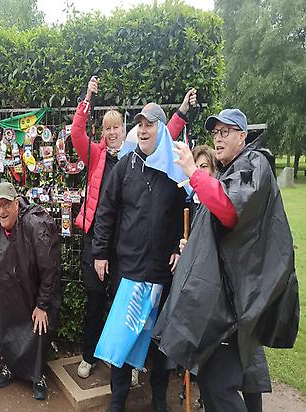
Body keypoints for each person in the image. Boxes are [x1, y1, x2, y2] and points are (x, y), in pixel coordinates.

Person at [156, 109, 298, 411]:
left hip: (232, 305)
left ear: (242, 137)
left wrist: (194, 173)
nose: (218, 138)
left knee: (219, 386)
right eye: (216, 132)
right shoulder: (235, 168)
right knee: (219, 382)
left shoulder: (253, 164)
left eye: (226, 132)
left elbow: (229, 208)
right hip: (230, 300)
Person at [71, 76, 196, 379]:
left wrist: (180, 110)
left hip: (127, 246)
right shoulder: (96, 154)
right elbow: (77, 133)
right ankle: (89, 356)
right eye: (107, 128)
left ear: (123, 130)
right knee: (97, 300)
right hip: (100, 241)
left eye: (117, 127)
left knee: (130, 305)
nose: (112, 132)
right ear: (102, 133)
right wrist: (87, 97)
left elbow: (164, 136)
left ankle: (128, 362)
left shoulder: (134, 154)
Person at [92, 103, 188, 412]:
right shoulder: (124, 166)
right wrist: (100, 252)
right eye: (140, 125)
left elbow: (190, 213)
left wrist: (178, 246)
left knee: (159, 344)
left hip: (162, 273)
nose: (143, 130)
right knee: (123, 339)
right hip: (129, 272)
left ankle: (159, 400)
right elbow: (105, 211)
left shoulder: (176, 169)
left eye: (150, 125)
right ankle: (117, 401)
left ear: (161, 130)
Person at [177, 144, 271, 412]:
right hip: (225, 300)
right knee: (233, 375)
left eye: (204, 167)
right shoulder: (198, 202)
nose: (199, 172)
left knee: (239, 375)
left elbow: (227, 221)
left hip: (235, 299)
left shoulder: (227, 191)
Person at [0, 181, 61, 401]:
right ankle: (11, 366)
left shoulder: (34, 224)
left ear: (16, 204)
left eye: (6, 204)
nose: (2, 211)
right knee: (6, 326)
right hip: (7, 292)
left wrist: (42, 304)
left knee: (37, 329)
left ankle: (37, 375)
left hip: (34, 292)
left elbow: (50, 269)